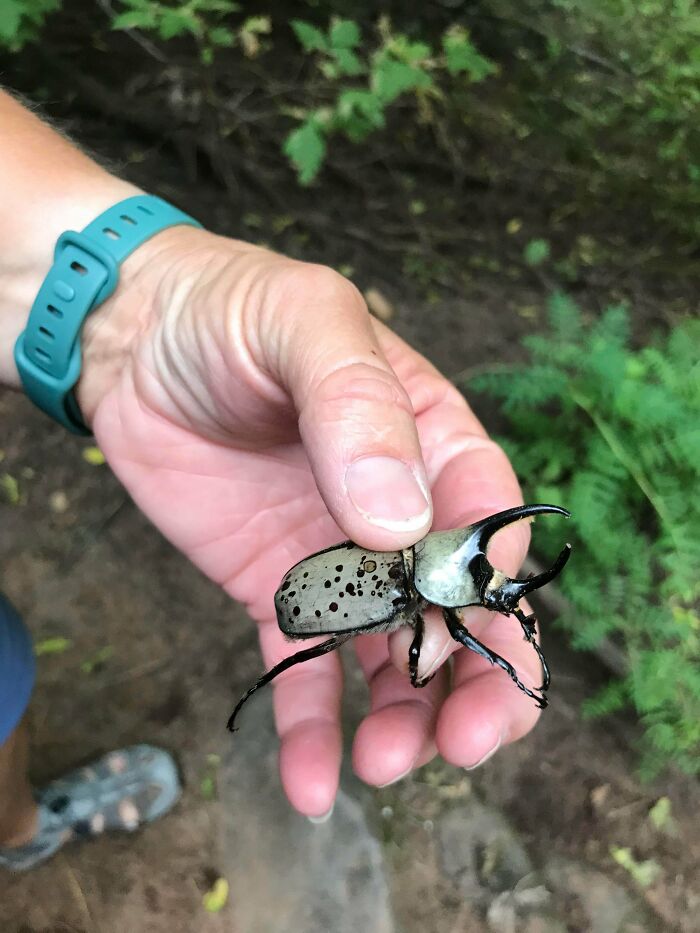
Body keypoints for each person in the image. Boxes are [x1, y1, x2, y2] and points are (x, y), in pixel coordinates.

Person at [0, 89, 543, 870]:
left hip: (338, 590)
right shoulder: (420, 584)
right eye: (484, 576)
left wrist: (131, 310)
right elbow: (428, 651)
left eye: (483, 583)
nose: (492, 583)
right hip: (335, 590)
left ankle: (15, 824)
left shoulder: (423, 576)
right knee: (429, 657)